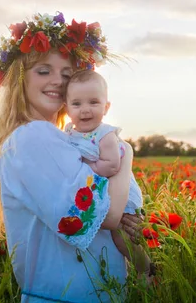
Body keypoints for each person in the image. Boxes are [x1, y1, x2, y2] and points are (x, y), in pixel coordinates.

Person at [0, 12, 142, 303]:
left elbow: (114, 209)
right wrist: (125, 153)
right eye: (43, 71)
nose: (58, 81)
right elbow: (106, 214)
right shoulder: (33, 137)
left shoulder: (60, 139)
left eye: (67, 74)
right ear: (19, 79)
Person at [64, 70, 152, 279]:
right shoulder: (70, 133)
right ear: (67, 108)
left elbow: (112, 166)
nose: (85, 110)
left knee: (122, 235)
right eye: (77, 104)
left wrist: (86, 169)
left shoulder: (105, 135)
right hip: (101, 189)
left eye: (93, 102)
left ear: (107, 107)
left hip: (121, 192)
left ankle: (145, 268)